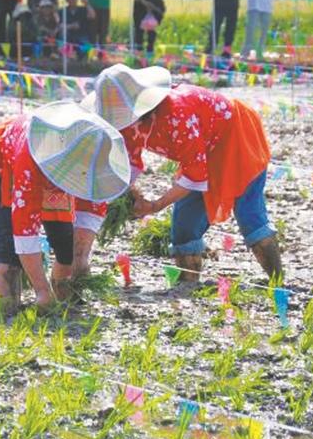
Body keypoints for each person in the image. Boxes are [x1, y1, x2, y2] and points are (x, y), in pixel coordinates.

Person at [90, 64, 282, 294]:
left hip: (236, 137)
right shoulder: (126, 126)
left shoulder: (177, 114)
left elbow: (194, 176)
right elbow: (129, 165)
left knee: (248, 213)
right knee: (184, 223)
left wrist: (156, 205)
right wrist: (128, 196)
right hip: (202, 151)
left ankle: (278, 283)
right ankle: (188, 286)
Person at [0, 101, 129, 311]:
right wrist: (41, 290)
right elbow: (25, 230)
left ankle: (63, 299)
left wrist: (80, 255)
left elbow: (91, 209)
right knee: (7, 252)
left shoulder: (94, 163)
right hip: (3, 173)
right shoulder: (31, 156)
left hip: (52, 180)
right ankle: (5, 315)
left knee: (66, 249)